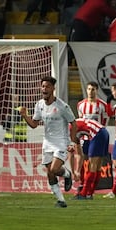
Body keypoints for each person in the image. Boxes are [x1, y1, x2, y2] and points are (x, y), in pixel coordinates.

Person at [19, 76, 77, 208]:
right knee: (50, 173)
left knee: (55, 169)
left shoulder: (62, 106)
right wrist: (24, 116)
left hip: (61, 142)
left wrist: (72, 143)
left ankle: (67, 174)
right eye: (43, 86)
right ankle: (61, 201)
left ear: (53, 88)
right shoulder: (39, 105)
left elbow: (73, 123)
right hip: (47, 143)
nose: (44, 89)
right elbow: (34, 124)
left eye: (47, 86)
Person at [75, 81, 109, 194]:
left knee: (95, 163)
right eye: (89, 89)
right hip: (85, 138)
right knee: (84, 162)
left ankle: (89, 190)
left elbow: (105, 121)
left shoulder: (102, 105)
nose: (90, 91)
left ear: (97, 91)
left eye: (93, 89)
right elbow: (80, 120)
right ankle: (83, 185)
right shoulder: (81, 105)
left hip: (97, 136)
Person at [70, 118, 110, 200]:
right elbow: (79, 154)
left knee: (92, 166)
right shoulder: (72, 125)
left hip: (97, 134)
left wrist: (74, 172)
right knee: (97, 166)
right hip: (104, 132)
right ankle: (89, 193)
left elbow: (72, 154)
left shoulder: (69, 130)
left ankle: (83, 194)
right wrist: (76, 171)